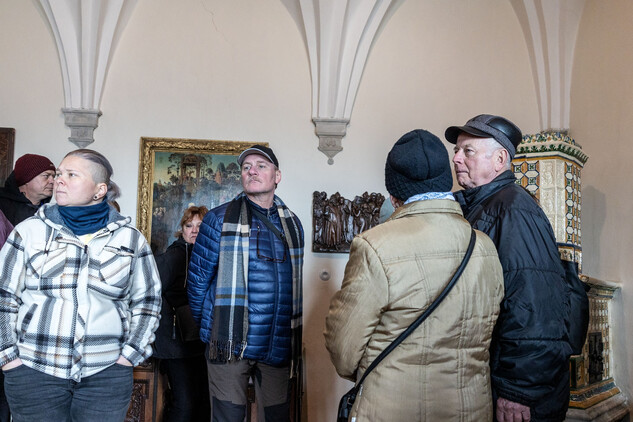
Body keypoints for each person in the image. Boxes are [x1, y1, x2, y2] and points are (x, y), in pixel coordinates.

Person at [324, 129, 504, 421]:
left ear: (394, 195)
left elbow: (344, 349)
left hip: (392, 407)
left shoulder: (374, 246)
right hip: (469, 408)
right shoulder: (484, 246)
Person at [0, 148, 162, 422]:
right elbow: (4, 296)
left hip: (105, 375)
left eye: (72, 175)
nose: (59, 180)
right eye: (59, 173)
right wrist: (9, 359)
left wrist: (129, 357)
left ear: (99, 190)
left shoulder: (131, 239)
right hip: (34, 372)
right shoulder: (28, 232)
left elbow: (148, 301)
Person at [445, 114, 576, 422]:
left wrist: (518, 390)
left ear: (500, 159)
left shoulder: (513, 209)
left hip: (519, 393)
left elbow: (534, 305)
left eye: (468, 151)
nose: (456, 158)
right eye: (457, 150)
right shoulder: (486, 205)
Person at [188, 144, 304, 422]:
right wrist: (215, 327)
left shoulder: (293, 224)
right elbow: (197, 284)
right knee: (228, 417)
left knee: (277, 418)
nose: (252, 171)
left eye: (261, 166)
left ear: (277, 176)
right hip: (228, 343)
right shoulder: (218, 219)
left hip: (276, 342)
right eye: (246, 167)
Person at [153, 205, 211, 422]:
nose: (194, 230)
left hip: (198, 341)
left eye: (200, 226)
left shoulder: (206, 256)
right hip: (175, 343)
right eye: (189, 225)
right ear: (182, 230)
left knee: (202, 403)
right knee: (184, 405)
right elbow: (147, 290)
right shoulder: (174, 255)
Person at [0, 153, 56, 225]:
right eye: (46, 176)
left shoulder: (51, 212)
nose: (53, 181)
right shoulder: (2, 209)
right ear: (26, 179)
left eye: (53, 176)